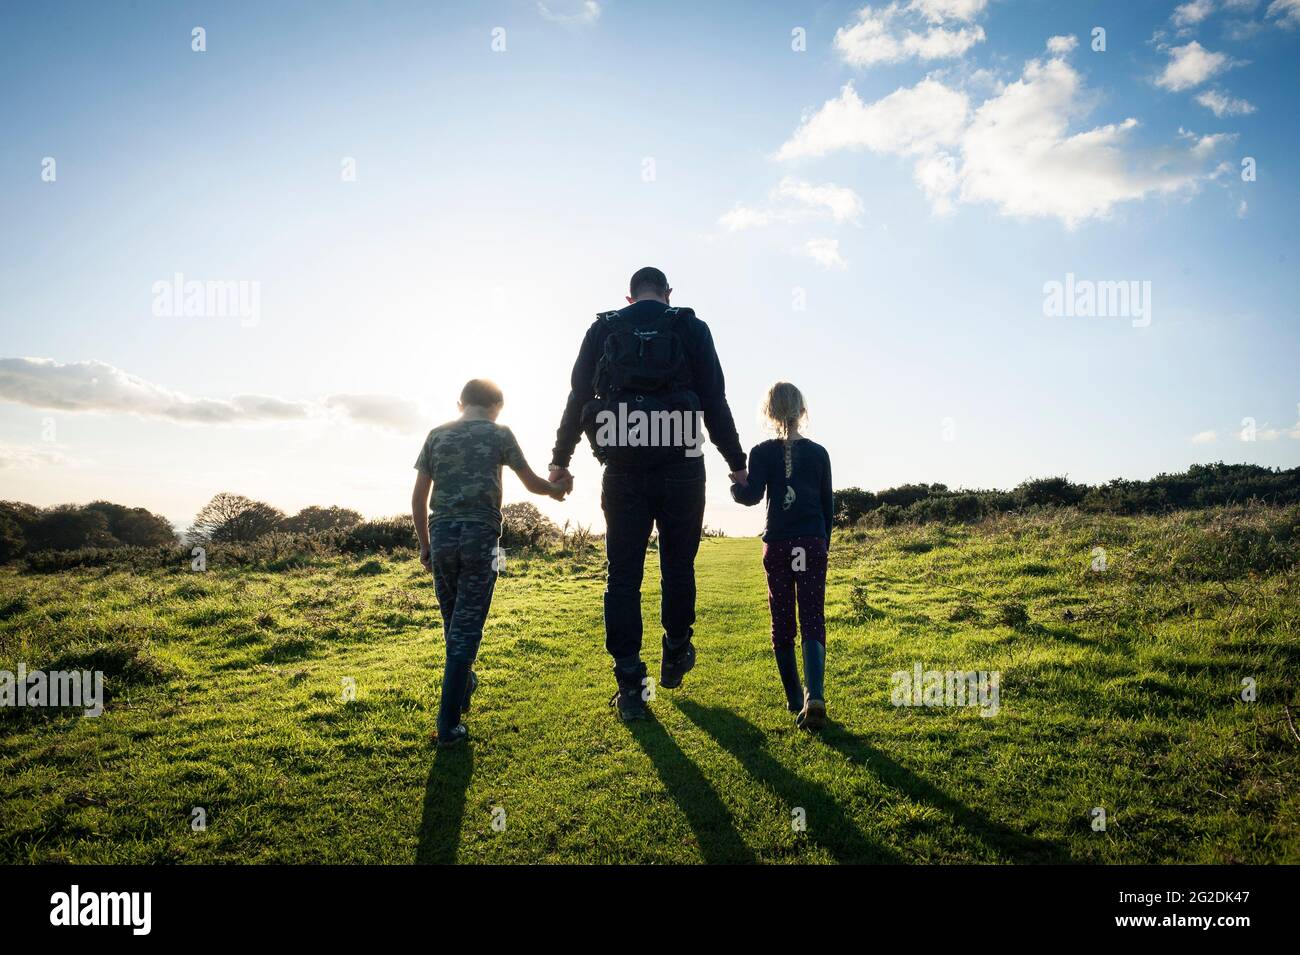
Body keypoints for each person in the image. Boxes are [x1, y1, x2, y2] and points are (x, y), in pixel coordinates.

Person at [548, 267, 749, 720]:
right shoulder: (690, 327)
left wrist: (561, 461)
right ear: (667, 293)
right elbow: (715, 400)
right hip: (682, 465)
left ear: (629, 295)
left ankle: (630, 682)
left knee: (622, 575)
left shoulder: (603, 328)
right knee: (678, 566)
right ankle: (676, 647)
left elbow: (578, 397)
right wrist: (736, 465)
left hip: (621, 468)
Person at [411, 378, 571, 747]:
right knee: (466, 629)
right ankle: (448, 726)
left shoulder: (436, 435)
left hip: (442, 537)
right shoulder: (499, 434)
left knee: (453, 620)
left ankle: (463, 681)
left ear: (459, 403)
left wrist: (425, 545)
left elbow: (419, 497)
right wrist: (558, 490)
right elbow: (532, 482)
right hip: (481, 539)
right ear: (498, 406)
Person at [731, 382, 833, 729]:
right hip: (812, 542)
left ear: (769, 412)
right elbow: (827, 507)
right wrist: (823, 545)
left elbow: (751, 497)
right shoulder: (819, 453)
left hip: (778, 546)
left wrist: (735, 485)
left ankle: (793, 699)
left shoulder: (760, 453)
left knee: (782, 624)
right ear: (801, 411)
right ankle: (814, 695)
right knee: (813, 619)